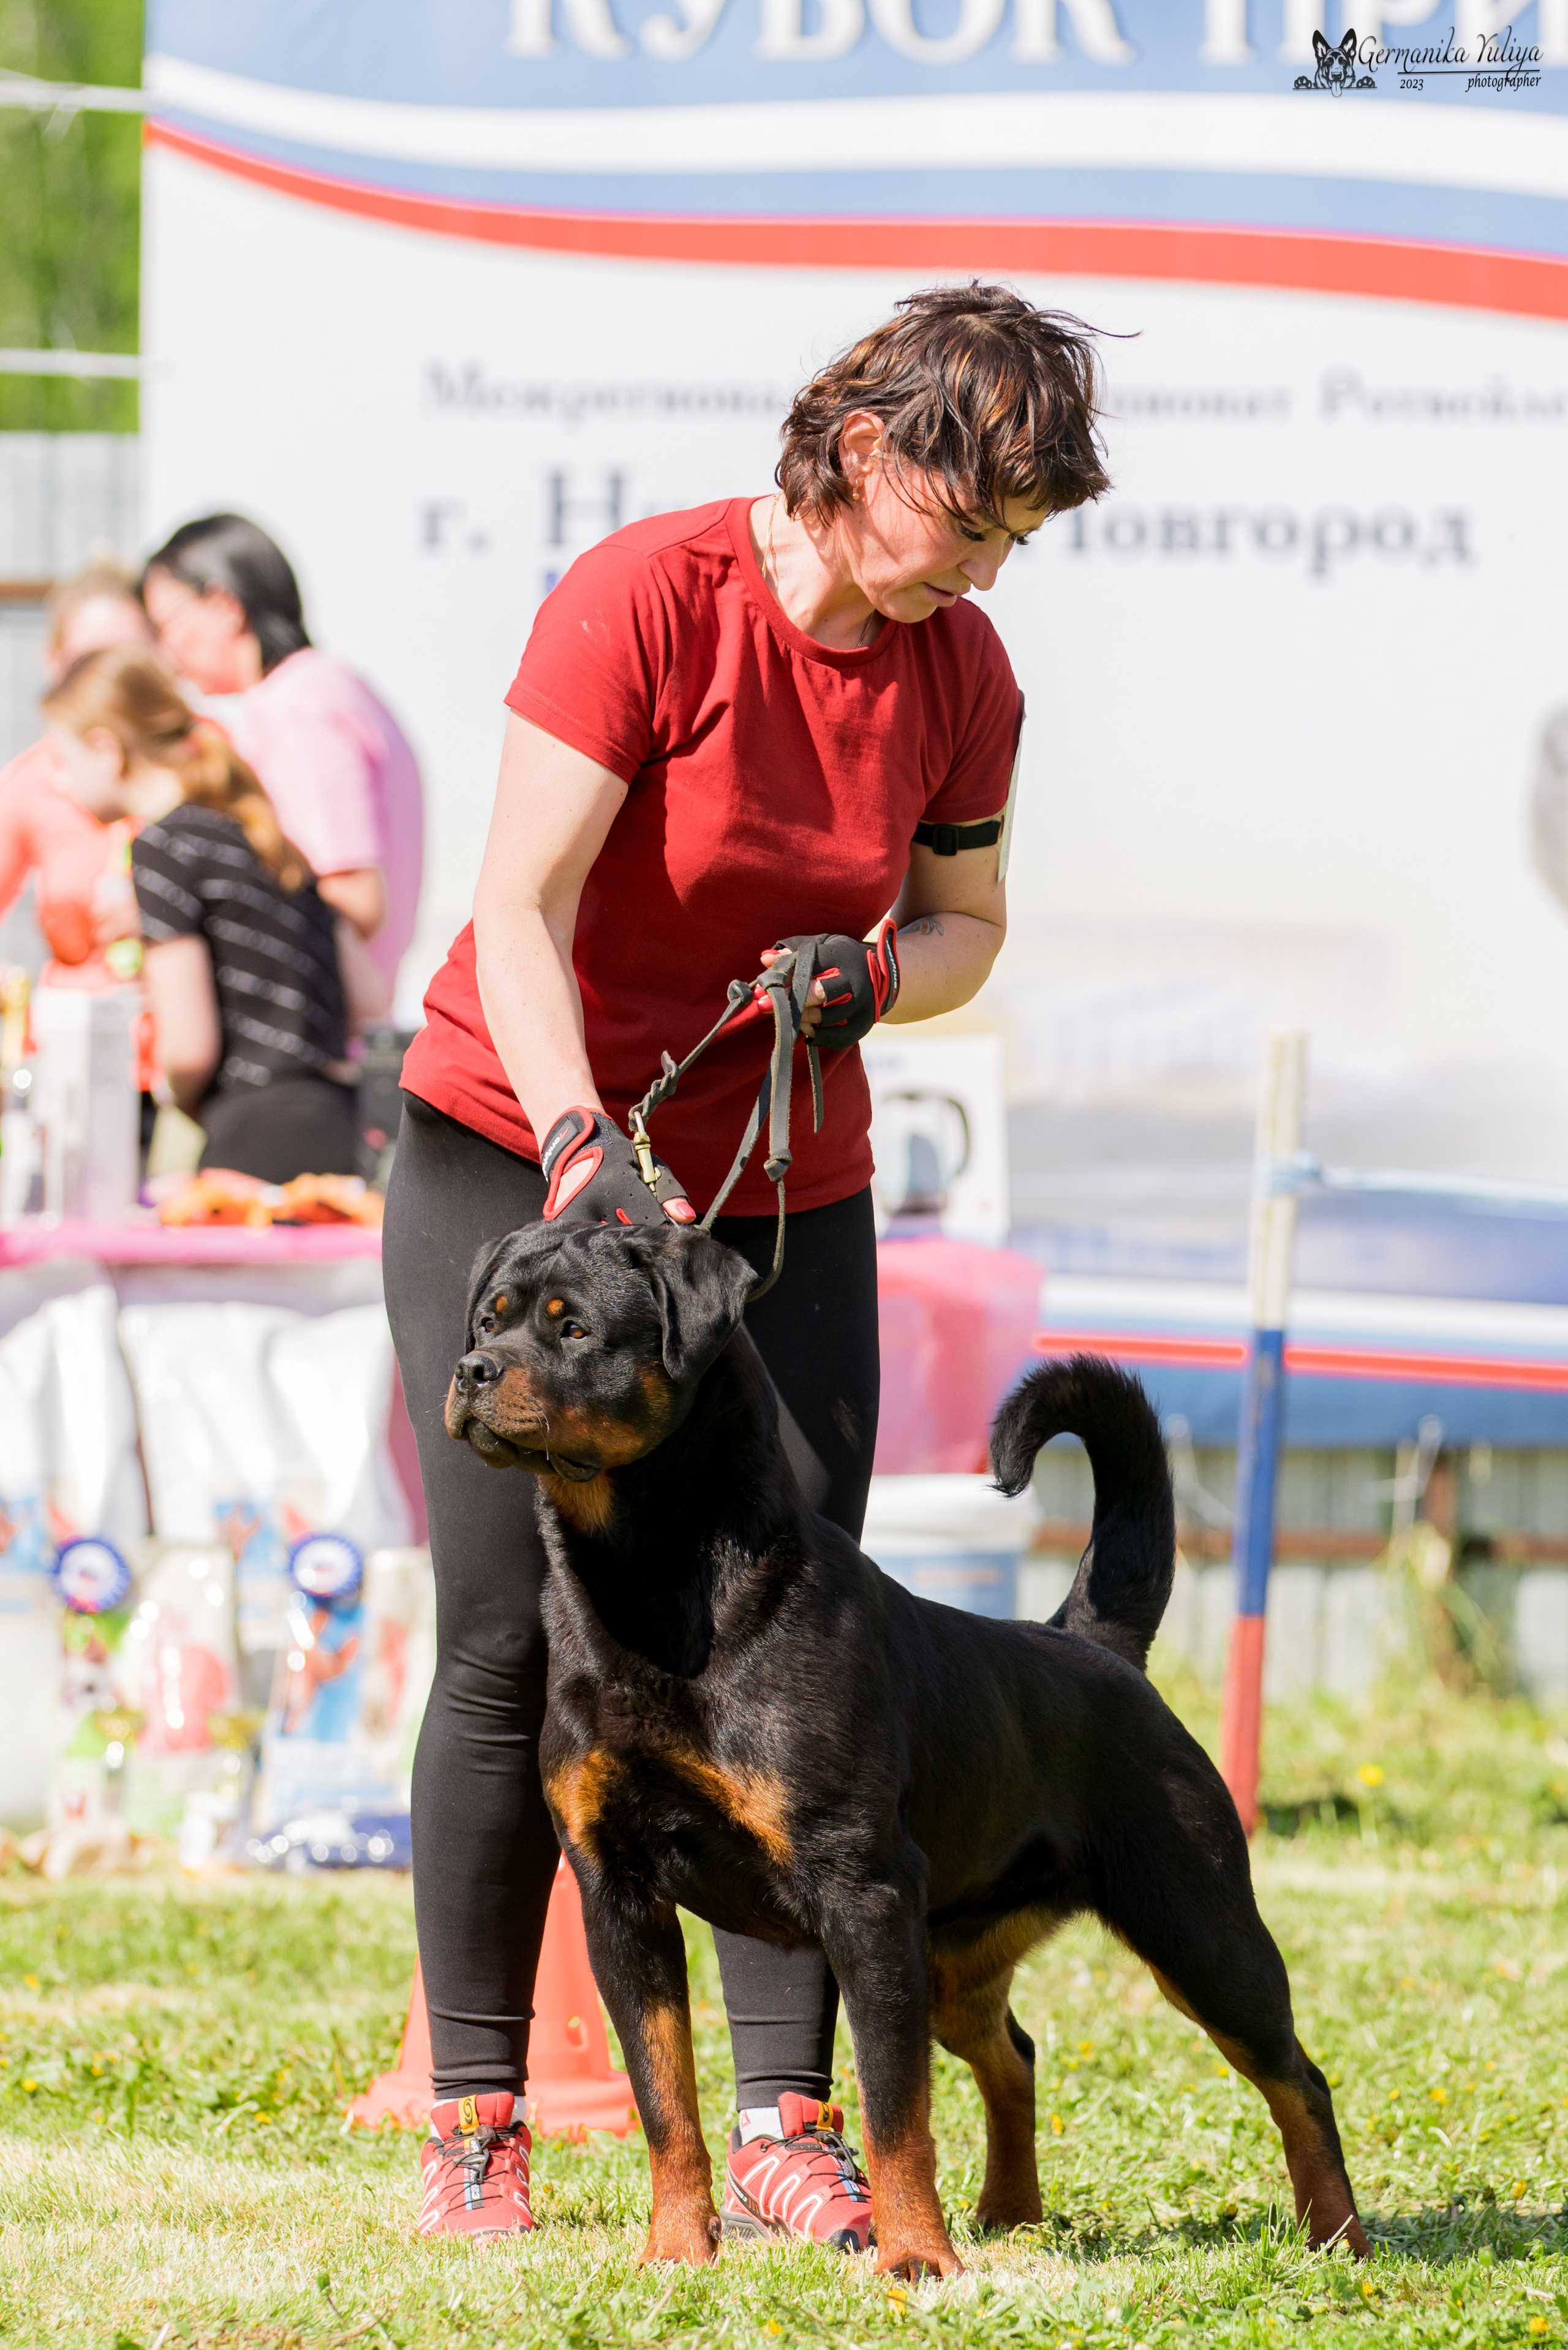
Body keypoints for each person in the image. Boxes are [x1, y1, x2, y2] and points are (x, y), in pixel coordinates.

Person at [385, 282, 1109, 2248]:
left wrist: (874, 974)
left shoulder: (961, 673)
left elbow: (967, 922)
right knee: (508, 1639)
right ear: (866, 446)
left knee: (803, 1660)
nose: (979, 569)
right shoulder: (647, 596)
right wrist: (573, 1151)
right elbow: (516, 910)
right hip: (520, 1153)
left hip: (780, 1190)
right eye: (971, 520)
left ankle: (790, 2122)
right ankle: (476, 2117)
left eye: (1015, 542)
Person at [43, 646, 388, 1183]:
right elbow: (369, 1002)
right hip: (342, 1127)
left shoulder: (161, 850)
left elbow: (190, 1047)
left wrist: (172, 1092)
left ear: (106, 749)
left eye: (62, 762)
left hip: (251, 1139)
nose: (59, 782)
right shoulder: (270, 842)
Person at [140, 514, 424, 996]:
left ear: (225, 604)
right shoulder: (334, 688)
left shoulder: (296, 707)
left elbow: (353, 897)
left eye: (167, 625)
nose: (166, 653)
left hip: (316, 1033)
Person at [0, 560, 154, 991]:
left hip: (188, 1042)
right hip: (73, 1041)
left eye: (128, 660)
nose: (110, 681)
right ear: (54, 662)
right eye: (90, 662)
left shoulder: (203, 761)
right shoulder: (32, 782)